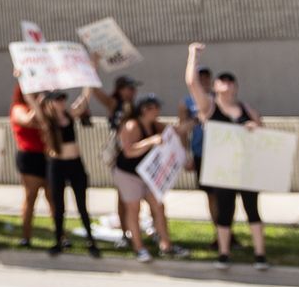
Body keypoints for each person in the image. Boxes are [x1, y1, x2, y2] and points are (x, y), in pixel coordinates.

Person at [184, 43, 268, 270]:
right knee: (225, 210)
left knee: (252, 209)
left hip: (246, 168)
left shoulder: (246, 109)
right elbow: (192, 83)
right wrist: (194, 55)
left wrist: (254, 127)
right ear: (215, 86)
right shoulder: (210, 108)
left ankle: (260, 255)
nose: (227, 84)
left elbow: (263, 135)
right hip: (223, 169)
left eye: (231, 80)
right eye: (223, 80)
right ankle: (224, 253)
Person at [113, 93, 187, 262]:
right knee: (134, 209)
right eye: (155, 107)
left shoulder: (155, 125)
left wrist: (193, 118)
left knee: (158, 206)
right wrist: (150, 142)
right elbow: (129, 151)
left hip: (147, 175)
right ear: (145, 109)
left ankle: (165, 244)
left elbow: (176, 131)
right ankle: (139, 247)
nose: (159, 111)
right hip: (128, 174)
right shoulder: (131, 126)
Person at [39, 87, 101, 258]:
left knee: (82, 205)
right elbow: (32, 102)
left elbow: (84, 99)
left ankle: (91, 240)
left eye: (62, 99)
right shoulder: (46, 119)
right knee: (59, 206)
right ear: (50, 102)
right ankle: (58, 240)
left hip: (75, 164)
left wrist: (90, 75)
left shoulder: (69, 115)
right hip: (57, 165)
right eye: (57, 99)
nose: (61, 102)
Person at [9, 84, 49, 248]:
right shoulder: (18, 108)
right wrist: (36, 103)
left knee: (53, 197)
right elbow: (29, 120)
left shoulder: (44, 107)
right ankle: (26, 236)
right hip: (30, 156)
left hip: (46, 155)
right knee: (31, 197)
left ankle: (61, 235)